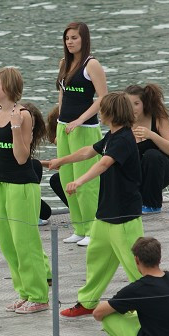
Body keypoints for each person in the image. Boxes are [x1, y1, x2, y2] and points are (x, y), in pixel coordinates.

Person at [45, 92, 144, 318]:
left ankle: (148, 302)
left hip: (125, 216)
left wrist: (79, 181)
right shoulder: (111, 136)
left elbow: (104, 164)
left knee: (134, 264)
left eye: (102, 110)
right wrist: (62, 160)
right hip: (105, 213)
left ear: (112, 113)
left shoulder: (124, 139)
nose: (99, 113)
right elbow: (89, 151)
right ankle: (87, 301)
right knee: (96, 258)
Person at [0, 67, 50, 313]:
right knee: (7, 243)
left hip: (21, 185)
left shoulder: (22, 115)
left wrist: (16, 129)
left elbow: (21, 157)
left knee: (25, 242)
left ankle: (39, 295)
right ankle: (24, 291)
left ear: (8, 87)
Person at [82, 237, 169, 336]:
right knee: (138, 313)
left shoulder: (138, 289)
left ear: (136, 259)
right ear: (159, 258)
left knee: (109, 317)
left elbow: (98, 313)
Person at [55, 22, 108, 247]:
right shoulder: (64, 63)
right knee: (67, 178)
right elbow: (62, 97)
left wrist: (79, 120)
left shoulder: (92, 64)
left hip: (84, 130)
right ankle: (78, 227)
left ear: (84, 39)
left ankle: (92, 229)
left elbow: (103, 98)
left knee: (85, 182)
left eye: (75, 37)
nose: (70, 41)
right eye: (67, 38)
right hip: (64, 128)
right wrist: (58, 125)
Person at [125, 83, 169, 214]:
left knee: (151, 154)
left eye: (136, 104)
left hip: (161, 170)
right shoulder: (122, 121)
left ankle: (152, 205)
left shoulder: (158, 118)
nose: (132, 108)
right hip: (137, 174)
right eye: (128, 104)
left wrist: (152, 135)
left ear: (144, 103)